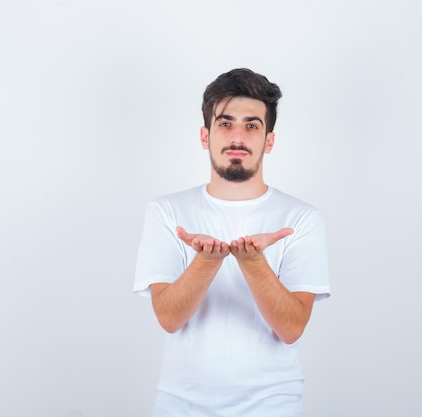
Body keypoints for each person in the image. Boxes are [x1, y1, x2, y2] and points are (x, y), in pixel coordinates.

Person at [134, 68, 331, 417]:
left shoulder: (301, 219)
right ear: (204, 135)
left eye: (252, 125)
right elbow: (168, 318)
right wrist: (207, 261)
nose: (237, 136)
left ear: (269, 140)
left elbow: (291, 328)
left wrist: (253, 262)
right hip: (181, 404)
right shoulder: (167, 211)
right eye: (225, 123)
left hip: (272, 404)